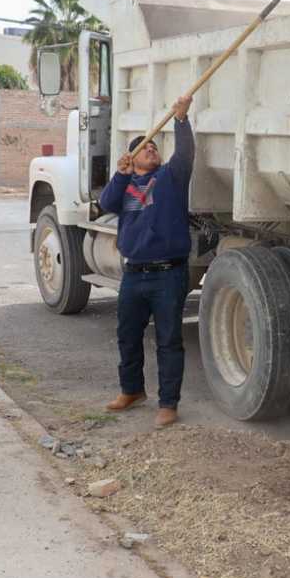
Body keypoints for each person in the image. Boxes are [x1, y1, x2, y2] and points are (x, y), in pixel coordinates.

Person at [99, 95, 194, 429]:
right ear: (132, 158)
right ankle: (132, 390)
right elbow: (106, 203)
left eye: (154, 147)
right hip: (133, 274)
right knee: (127, 335)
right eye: (144, 148)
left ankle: (168, 403)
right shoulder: (125, 185)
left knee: (168, 341)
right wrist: (120, 175)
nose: (151, 149)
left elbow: (185, 153)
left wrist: (181, 119)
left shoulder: (171, 177)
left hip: (168, 274)